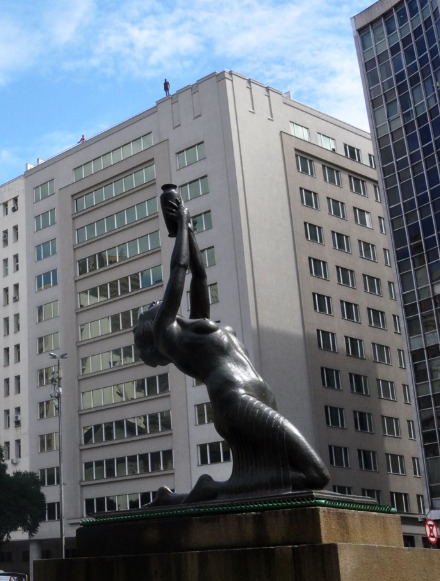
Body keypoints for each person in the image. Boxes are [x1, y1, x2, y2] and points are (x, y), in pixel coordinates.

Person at [134, 186, 330, 505]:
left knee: (303, 474)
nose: (156, 303)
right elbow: (178, 272)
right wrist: (180, 224)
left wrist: (190, 228)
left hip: (256, 398)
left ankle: (196, 494)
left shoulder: (197, 323)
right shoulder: (165, 334)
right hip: (236, 402)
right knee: (316, 475)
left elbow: (198, 275)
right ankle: (212, 490)